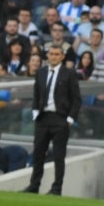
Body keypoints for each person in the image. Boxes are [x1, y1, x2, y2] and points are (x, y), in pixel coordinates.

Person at [22, 42, 82, 195]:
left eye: (57, 54)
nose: (53, 57)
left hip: (60, 119)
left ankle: (56, 188)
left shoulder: (69, 74)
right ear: (47, 55)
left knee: (58, 156)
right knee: (38, 154)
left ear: (62, 56)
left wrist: (70, 119)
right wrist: (35, 112)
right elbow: (36, 93)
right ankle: (34, 185)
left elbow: (76, 99)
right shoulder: (41, 72)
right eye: (51, 54)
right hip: (43, 117)